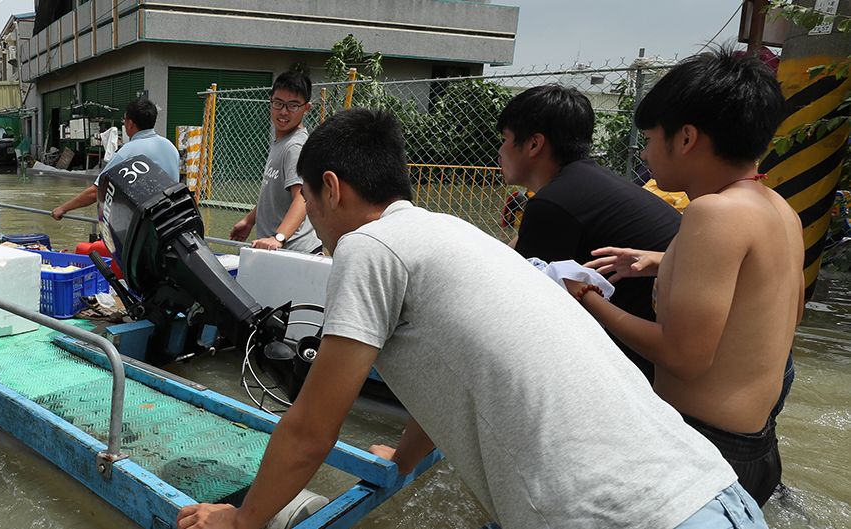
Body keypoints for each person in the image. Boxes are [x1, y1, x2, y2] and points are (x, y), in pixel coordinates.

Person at [177, 108, 763, 529]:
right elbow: (450, 370)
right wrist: (403, 459)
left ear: (331, 188)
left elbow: (310, 428)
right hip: (715, 492)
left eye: (307, 198)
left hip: (620, 517)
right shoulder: (454, 232)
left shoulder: (368, 247)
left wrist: (242, 519)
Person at [568, 48, 799, 506]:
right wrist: (662, 261)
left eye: (650, 137)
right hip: (754, 450)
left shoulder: (714, 213)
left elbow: (684, 357)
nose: (646, 152)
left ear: (687, 137)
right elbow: (765, 297)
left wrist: (586, 298)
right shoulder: (778, 208)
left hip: (701, 455)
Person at [497, 84, 683, 382]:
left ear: (533, 145)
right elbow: (514, 255)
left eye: (504, 140)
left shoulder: (553, 203)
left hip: (650, 369)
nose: (500, 151)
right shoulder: (584, 186)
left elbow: (518, 302)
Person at [229, 71, 323, 253]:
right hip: (279, 248)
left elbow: (303, 197)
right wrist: (249, 221)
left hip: (294, 251)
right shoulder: (282, 142)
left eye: (293, 106)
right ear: (271, 101)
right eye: (278, 103)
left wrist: (278, 237)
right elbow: (275, 195)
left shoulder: (295, 147)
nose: (283, 111)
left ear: (306, 108)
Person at [50, 98, 179, 220]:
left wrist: (63, 208)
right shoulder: (170, 147)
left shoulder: (126, 152)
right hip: (172, 218)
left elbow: (96, 192)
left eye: (125, 120)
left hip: (144, 223)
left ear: (130, 123)